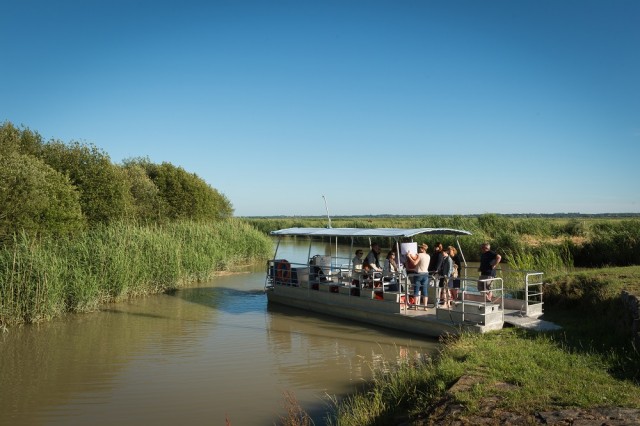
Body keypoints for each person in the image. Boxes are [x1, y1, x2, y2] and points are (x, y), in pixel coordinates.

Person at [406, 243, 430, 307]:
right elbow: (416, 258)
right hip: (426, 274)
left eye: (420, 248)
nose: (419, 249)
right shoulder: (428, 256)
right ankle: (425, 306)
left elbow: (414, 263)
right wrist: (412, 256)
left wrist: (408, 256)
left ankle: (416, 306)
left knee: (416, 290)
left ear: (422, 249)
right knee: (425, 290)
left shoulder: (420, 255)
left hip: (419, 274)